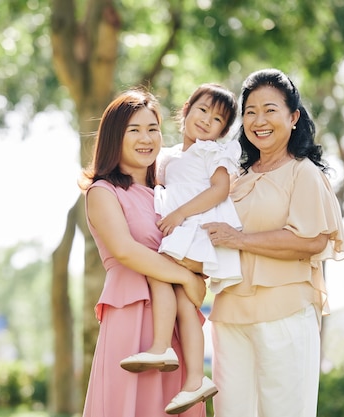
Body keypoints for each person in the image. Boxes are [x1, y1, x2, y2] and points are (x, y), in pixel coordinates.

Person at [202, 68, 344, 417]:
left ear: (293, 117)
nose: (258, 120)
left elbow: (310, 240)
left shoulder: (304, 173)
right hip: (230, 316)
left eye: (270, 109)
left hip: (285, 313)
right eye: (250, 111)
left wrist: (240, 239)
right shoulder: (235, 180)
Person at [79, 87, 208, 417]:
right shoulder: (103, 191)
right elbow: (125, 251)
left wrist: (197, 277)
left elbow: (198, 248)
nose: (146, 138)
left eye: (152, 129)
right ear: (114, 137)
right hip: (131, 310)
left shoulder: (170, 196)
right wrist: (184, 277)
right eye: (134, 130)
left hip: (177, 324)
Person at [119, 83, 242, 414]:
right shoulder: (169, 155)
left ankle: (161, 346)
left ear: (222, 131)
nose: (206, 120)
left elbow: (219, 191)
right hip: (182, 235)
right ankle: (195, 379)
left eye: (217, 119)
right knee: (186, 306)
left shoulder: (212, 153)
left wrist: (180, 213)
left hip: (197, 234)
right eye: (202, 110)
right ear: (186, 109)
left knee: (158, 269)